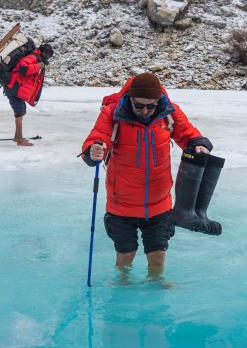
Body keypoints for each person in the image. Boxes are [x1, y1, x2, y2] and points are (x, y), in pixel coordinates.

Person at [80, 73, 213, 277]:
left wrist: (200, 145)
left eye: (150, 106)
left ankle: (156, 288)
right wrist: (93, 150)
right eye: (139, 105)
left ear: (158, 101)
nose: (145, 111)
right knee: (125, 257)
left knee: (158, 255)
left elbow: (189, 134)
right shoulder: (112, 113)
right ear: (130, 99)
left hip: (159, 203)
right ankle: (122, 291)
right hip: (121, 204)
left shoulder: (169, 112)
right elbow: (98, 137)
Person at [4, 42, 53, 146]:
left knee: (20, 111)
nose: (48, 58)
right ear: (44, 52)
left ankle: (17, 137)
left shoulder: (36, 58)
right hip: (13, 87)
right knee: (20, 111)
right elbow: (23, 68)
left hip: (15, 88)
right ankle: (19, 139)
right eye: (48, 55)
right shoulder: (33, 57)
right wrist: (38, 66)